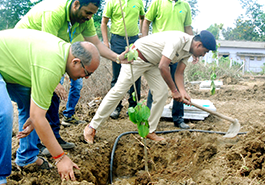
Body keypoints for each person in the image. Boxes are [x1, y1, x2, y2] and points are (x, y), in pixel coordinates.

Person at [14, 0, 128, 158]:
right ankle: (32, 149)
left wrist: (117, 58)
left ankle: (51, 139)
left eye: (92, 14)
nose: (89, 17)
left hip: (46, 56)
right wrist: (55, 83)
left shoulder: (85, 20)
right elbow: (46, 49)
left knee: (50, 98)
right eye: (87, 12)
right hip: (23, 51)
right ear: (76, 4)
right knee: (32, 100)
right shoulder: (54, 13)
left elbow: (96, 43)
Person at [0, 29, 106, 185]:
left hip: (10, 66)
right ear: (76, 62)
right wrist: (60, 157)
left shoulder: (62, 53)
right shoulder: (52, 65)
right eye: (87, 73)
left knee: (31, 107)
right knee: (4, 114)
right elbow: (38, 116)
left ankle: (27, 158)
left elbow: (38, 110)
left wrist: (35, 119)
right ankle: (0, 180)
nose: (86, 78)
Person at [84, 30, 216, 144]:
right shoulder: (178, 40)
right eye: (204, 52)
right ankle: (92, 127)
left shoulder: (189, 51)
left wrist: (182, 92)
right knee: (119, 91)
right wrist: (174, 91)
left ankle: (149, 130)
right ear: (198, 45)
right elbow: (163, 67)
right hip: (137, 57)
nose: (203, 55)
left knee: (161, 92)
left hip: (153, 62)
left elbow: (179, 73)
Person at [142, 0, 193, 129]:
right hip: (160, 52)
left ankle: (178, 119)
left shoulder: (185, 6)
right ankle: (149, 119)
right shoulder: (158, 2)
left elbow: (188, 28)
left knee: (177, 84)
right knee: (156, 86)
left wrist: (193, 49)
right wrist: (144, 41)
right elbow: (146, 21)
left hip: (178, 52)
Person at [101, 0, 145, 119]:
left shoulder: (138, 1)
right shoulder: (112, 1)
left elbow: (143, 18)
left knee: (135, 74)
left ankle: (134, 106)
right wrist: (106, 42)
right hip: (117, 41)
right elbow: (104, 22)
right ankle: (116, 106)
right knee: (118, 73)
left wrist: (143, 36)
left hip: (134, 41)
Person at [61, 0, 97, 126]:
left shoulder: (87, 16)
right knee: (55, 88)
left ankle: (68, 115)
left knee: (77, 85)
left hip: (78, 57)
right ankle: (50, 127)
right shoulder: (69, 10)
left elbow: (96, 42)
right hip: (59, 56)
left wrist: (116, 57)